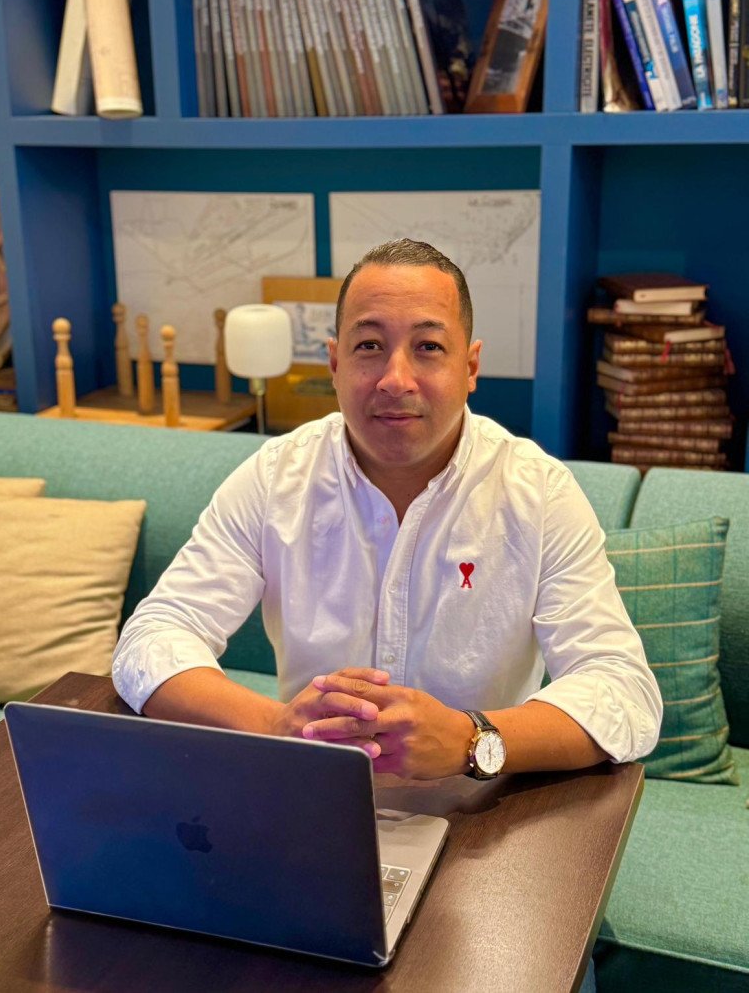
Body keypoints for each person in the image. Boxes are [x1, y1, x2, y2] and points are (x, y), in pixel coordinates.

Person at [112, 238, 662, 783]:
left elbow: (623, 691)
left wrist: (470, 739)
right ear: (335, 362)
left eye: (429, 347)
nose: (396, 379)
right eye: (370, 345)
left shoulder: (537, 493)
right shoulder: (277, 478)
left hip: (483, 808)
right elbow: (152, 637)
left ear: (470, 367)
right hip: (313, 792)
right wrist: (274, 725)